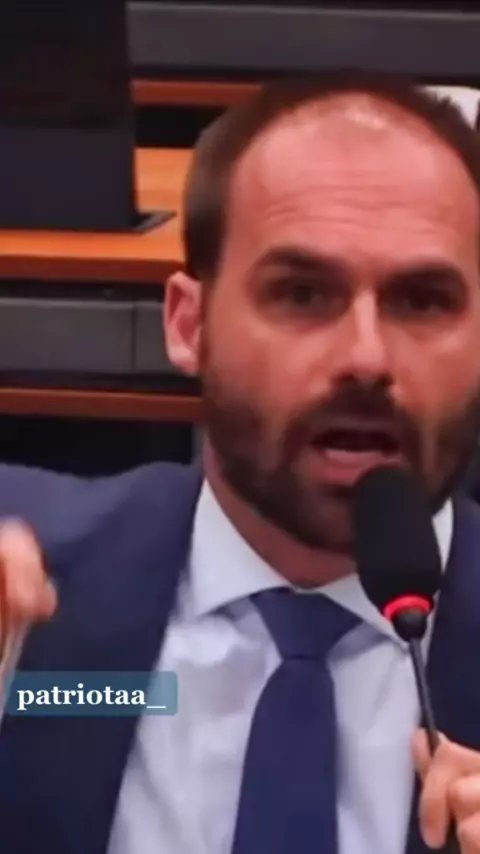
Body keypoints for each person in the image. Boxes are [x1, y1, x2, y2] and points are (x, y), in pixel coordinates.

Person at [1, 72, 480, 854]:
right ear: (189, 325)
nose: (366, 358)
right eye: (302, 294)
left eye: (423, 301)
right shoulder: (29, 604)